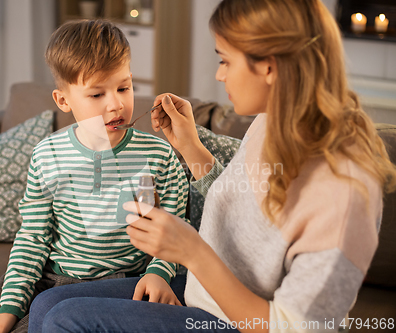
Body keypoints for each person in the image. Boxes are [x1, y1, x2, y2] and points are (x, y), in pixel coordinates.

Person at [27, 0, 396, 332]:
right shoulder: (272, 122)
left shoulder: (344, 192)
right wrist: (191, 146)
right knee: (45, 305)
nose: (219, 76)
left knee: (64, 320)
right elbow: (244, 209)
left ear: (268, 66)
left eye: (225, 60)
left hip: (231, 319)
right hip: (201, 292)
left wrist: (191, 253)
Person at [0, 19, 189, 333]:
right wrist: (10, 307)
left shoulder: (158, 154)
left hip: (118, 283)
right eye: (97, 94)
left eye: (124, 88)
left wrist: (158, 272)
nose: (116, 104)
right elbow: (32, 238)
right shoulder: (47, 155)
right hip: (49, 273)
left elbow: (174, 230)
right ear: (63, 100)